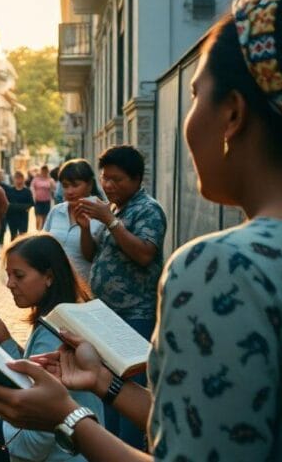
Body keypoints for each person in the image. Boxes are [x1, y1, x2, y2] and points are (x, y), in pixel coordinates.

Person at [0, 0, 282, 461]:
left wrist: (67, 417)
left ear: (232, 112)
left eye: (195, 96)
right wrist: (106, 386)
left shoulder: (223, 268)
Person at [0, 233, 102, 462]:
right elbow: (34, 371)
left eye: (19, 275)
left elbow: (33, 445)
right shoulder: (64, 318)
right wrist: (7, 341)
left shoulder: (54, 333)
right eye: (8, 275)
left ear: (49, 277)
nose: (10, 284)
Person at [77, 145, 166, 448]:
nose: (109, 186)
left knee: (129, 394)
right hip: (106, 316)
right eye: (105, 179)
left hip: (134, 316)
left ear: (137, 179)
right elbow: (92, 255)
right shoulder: (114, 208)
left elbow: (144, 254)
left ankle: (128, 451)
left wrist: (111, 222)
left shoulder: (147, 209)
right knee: (108, 394)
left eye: (117, 180)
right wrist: (86, 228)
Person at [43, 159, 105, 280]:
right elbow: (43, 245)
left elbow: (92, 257)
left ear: (90, 185)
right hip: (55, 285)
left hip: (85, 288)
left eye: (75, 185)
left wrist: (85, 229)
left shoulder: (101, 215)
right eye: (65, 186)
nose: (70, 191)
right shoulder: (56, 211)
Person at [6, 171, 35, 240]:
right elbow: (7, 203)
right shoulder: (10, 190)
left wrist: (19, 207)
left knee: (23, 237)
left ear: (23, 179)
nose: (18, 180)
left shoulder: (27, 191)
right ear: (14, 179)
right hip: (12, 217)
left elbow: (31, 203)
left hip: (23, 217)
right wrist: (21, 207)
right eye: (17, 178)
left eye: (20, 178)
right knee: (13, 236)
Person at [31, 165, 56, 230]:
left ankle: (42, 232)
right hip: (38, 201)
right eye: (43, 170)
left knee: (45, 219)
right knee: (38, 219)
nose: (44, 172)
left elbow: (54, 188)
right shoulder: (36, 179)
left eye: (46, 171)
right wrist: (33, 195)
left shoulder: (50, 179)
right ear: (41, 171)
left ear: (47, 171)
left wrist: (52, 185)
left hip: (46, 201)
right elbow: (32, 187)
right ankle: (38, 231)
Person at [0, 169, 13, 243]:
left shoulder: (7, 187)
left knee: (3, 228)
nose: (0, 176)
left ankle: (1, 241)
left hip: (4, 211)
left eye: (1, 174)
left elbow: (9, 198)